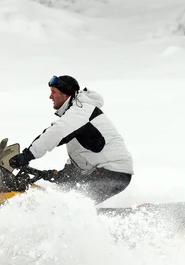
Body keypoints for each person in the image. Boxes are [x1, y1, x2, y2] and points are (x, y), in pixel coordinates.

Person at [9, 75, 134, 204]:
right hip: (106, 171)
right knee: (64, 198)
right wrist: (57, 176)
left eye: (53, 92)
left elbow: (56, 133)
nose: (50, 97)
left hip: (112, 172)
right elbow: (79, 157)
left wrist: (26, 156)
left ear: (65, 94)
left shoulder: (80, 110)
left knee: (70, 205)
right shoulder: (75, 116)